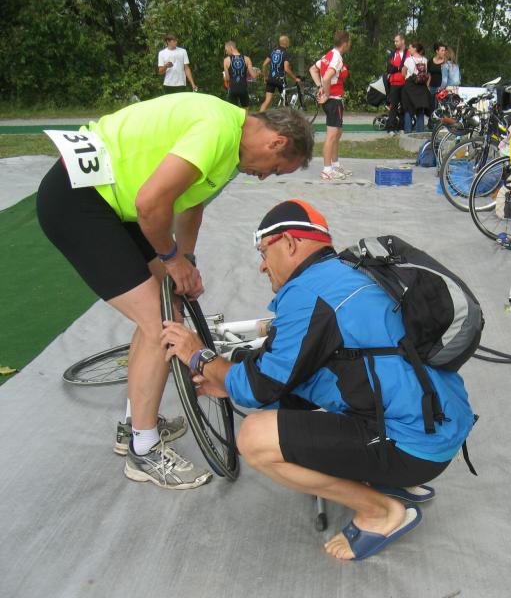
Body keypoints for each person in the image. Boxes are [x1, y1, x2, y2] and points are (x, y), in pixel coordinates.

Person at [161, 199, 475, 560]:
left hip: (413, 445)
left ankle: (381, 512)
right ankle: (395, 482)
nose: (262, 265)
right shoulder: (349, 272)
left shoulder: (309, 293)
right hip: (439, 427)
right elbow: (297, 370)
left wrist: (200, 356)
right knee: (282, 400)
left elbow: (259, 386)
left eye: (263, 251)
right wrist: (227, 375)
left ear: (289, 242)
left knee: (255, 438)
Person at [36, 95, 313, 490]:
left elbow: (190, 205)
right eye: (275, 169)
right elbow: (151, 204)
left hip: (110, 201)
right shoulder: (217, 130)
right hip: (80, 201)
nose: (265, 177)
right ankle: (144, 450)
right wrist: (171, 259)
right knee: (159, 324)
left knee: (170, 310)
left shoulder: (232, 140)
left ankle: (135, 424)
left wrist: (187, 263)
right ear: (276, 143)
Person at [309, 30, 351, 181]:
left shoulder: (328, 55)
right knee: (332, 136)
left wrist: (320, 86)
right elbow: (327, 77)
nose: (349, 45)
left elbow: (313, 69)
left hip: (332, 100)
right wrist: (326, 94)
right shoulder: (337, 57)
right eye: (349, 42)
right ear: (345, 43)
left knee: (337, 134)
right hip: (333, 100)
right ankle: (327, 170)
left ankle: (335, 165)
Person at [260, 35, 303, 112]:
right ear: (285, 42)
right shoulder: (285, 53)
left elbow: (264, 64)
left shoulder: (273, 51)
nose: (289, 42)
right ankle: (285, 117)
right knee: (285, 101)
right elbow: (286, 69)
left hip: (271, 78)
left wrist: (265, 76)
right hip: (280, 80)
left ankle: (258, 117)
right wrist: (295, 78)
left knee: (267, 100)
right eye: (288, 41)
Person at [401, 42, 430, 134]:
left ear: (415, 49)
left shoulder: (408, 60)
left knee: (408, 109)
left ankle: (408, 132)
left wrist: (407, 76)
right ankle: (420, 132)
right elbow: (427, 74)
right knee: (420, 110)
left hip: (410, 86)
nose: (409, 50)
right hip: (422, 87)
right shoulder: (425, 60)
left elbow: (403, 73)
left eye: (410, 48)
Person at [223, 41, 258, 108]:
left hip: (233, 88)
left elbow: (227, 78)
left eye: (226, 50)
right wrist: (258, 73)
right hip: (243, 88)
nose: (226, 52)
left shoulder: (226, 60)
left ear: (231, 48)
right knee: (245, 109)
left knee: (233, 110)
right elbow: (254, 76)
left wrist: (224, 77)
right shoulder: (247, 59)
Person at [385, 34, 408, 134]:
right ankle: (391, 128)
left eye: (397, 41)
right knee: (393, 106)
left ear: (403, 41)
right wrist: (399, 68)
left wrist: (396, 68)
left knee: (404, 106)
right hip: (394, 83)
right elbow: (389, 68)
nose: (395, 43)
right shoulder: (393, 53)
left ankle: (401, 127)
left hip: (406, 83)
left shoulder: (409, 53)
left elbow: (410, 68)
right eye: (394, 41)